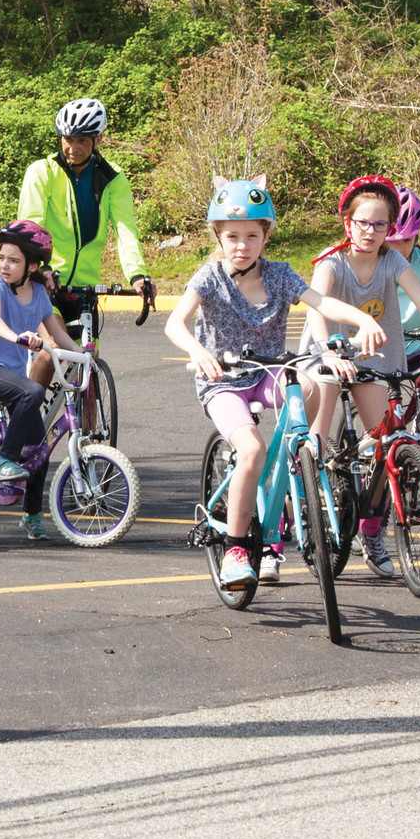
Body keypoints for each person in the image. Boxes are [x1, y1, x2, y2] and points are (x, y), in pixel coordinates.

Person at [165, 177, 385, 594]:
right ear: (219, 237)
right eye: (232, 237)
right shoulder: (210, 277)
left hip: (269, 373)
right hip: (224, 382)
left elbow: (322, 302)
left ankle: (297, 458)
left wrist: (363, 319)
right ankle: (234, 549)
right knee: (251, 449)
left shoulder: (281, 276)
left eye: (252, 235)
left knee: (311, 383)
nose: (242, 245)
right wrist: (197, 351)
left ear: (266, 235)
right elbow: (175, 322)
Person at [300, 176, 420, 579]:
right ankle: (306, 510)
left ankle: (371, 530)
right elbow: (317, 309)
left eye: (380, 225)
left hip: (375, 362)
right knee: (317, 444)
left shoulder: (393, 261)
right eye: (362, 223)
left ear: (390, 229)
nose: (370, 232)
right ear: (347, 222)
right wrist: (330, 351)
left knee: (385, 443)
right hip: (329, 358)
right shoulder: (332, 262)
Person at [14, 97, 155, 435]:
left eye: (81, 140)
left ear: (98, 140)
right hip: (44, 282)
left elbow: (125, 232)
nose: (72, 147)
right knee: (52, 353)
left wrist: (137, 275)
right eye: (67, 139)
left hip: (84, 290)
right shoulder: (42, 172)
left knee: (86, 369)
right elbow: (30, 227)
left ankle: (91, 449)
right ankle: (20, 433)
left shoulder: (112, 180)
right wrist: (40, 267)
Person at [0, 218, 82, 542]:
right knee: (32, 390)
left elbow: (57, 333)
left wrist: (83, 353)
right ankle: (3, 460)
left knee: (39, 449)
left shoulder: (40, 295)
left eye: (14, 260)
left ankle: (32, 516)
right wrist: (19, 337)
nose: (5, 265)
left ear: (32, 266)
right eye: (2, 257)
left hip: (14, 379)